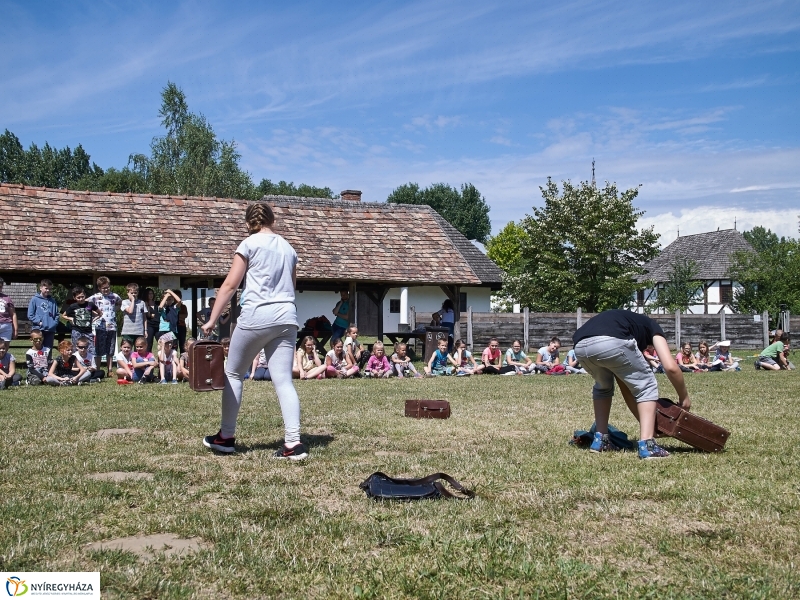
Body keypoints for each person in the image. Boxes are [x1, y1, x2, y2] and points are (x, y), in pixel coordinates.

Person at [200, 202, 308, 460]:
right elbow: (290, 287)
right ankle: (293, 443)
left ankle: (225, 437)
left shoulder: (248, 244)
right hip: (286, 316)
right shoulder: (288, 248)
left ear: (248, 223)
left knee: (234, 372)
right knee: (283, 379)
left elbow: (230, 285)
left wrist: (212, 319)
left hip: (257, 314)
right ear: (273, 220)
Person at [572, 309, 691, 459]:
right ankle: (648, 445)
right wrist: (684, 398)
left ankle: (601, 440)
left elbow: (626, 387)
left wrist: (646, 422)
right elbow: (671, 367)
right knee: (647, 386)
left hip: (581, 345)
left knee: (603, 387)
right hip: (612, 340)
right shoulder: (653, 326)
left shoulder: (628, 322)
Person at [88, 276, 122, 374]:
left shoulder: (114, 296)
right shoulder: (95, 297)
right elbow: (87, 304)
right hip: (100, 326)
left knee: (110, 349)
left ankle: (110, 370)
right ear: (99, 288)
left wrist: (116, 309)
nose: (106, 289)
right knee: (99, 349)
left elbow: (120, 302)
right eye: (103, 288)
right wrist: (94, 313)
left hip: (112, 326)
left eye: (107, 287)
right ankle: (98, 369)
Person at [62, 285, 102, 357]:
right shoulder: (73, 306)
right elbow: (63, 315)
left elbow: (100, 313)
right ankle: (76, 365)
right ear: (74, 298)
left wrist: (94, 319)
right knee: (75, 348)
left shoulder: (90, 304)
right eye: (78, 297)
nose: (81, 299)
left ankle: (90, 364)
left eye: (82, 296)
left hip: (88, 331)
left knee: (91, 348)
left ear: (85, 295)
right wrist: (71, 318)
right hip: (77, 330)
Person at [27, 279, 60, 349]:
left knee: (48, 349)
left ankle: (48, 360)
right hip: (38, 329)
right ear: (40, 288)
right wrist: (39, 322)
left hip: (50, 330)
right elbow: (30, 314)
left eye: (50, 289)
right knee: (38, 348)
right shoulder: (34, 299)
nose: (48, 290)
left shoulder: (53, 301)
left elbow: (57, 314)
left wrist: (54, 323)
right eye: (46, 288)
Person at [120, 283, 148, 347]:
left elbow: (144, 318)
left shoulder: (142, 303)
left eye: (135, 293)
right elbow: (130, 311)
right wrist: (132, 300)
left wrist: (145, 330)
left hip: (139, 331)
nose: (133, 295)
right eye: (131, 293)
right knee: (126, 350)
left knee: (139, 351)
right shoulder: (124, 302)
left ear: (138, 292)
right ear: (128, 293)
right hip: (128, 331)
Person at [0, 277, 18, 341]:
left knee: (4, 348)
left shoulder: (7, 298)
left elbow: (13, 314)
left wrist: (15, 329)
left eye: (0, 287)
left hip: (6, 325)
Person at [143, 288, 160, 353]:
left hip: (158, 326)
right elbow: (144, 316)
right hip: (149, 326)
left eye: (152, 293)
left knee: (161, 342)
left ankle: (161, 360)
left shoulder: (157, 303)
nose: (151, 295)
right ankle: (148, 361)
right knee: (149, 344)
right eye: (149, 293)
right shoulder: (144, 304)